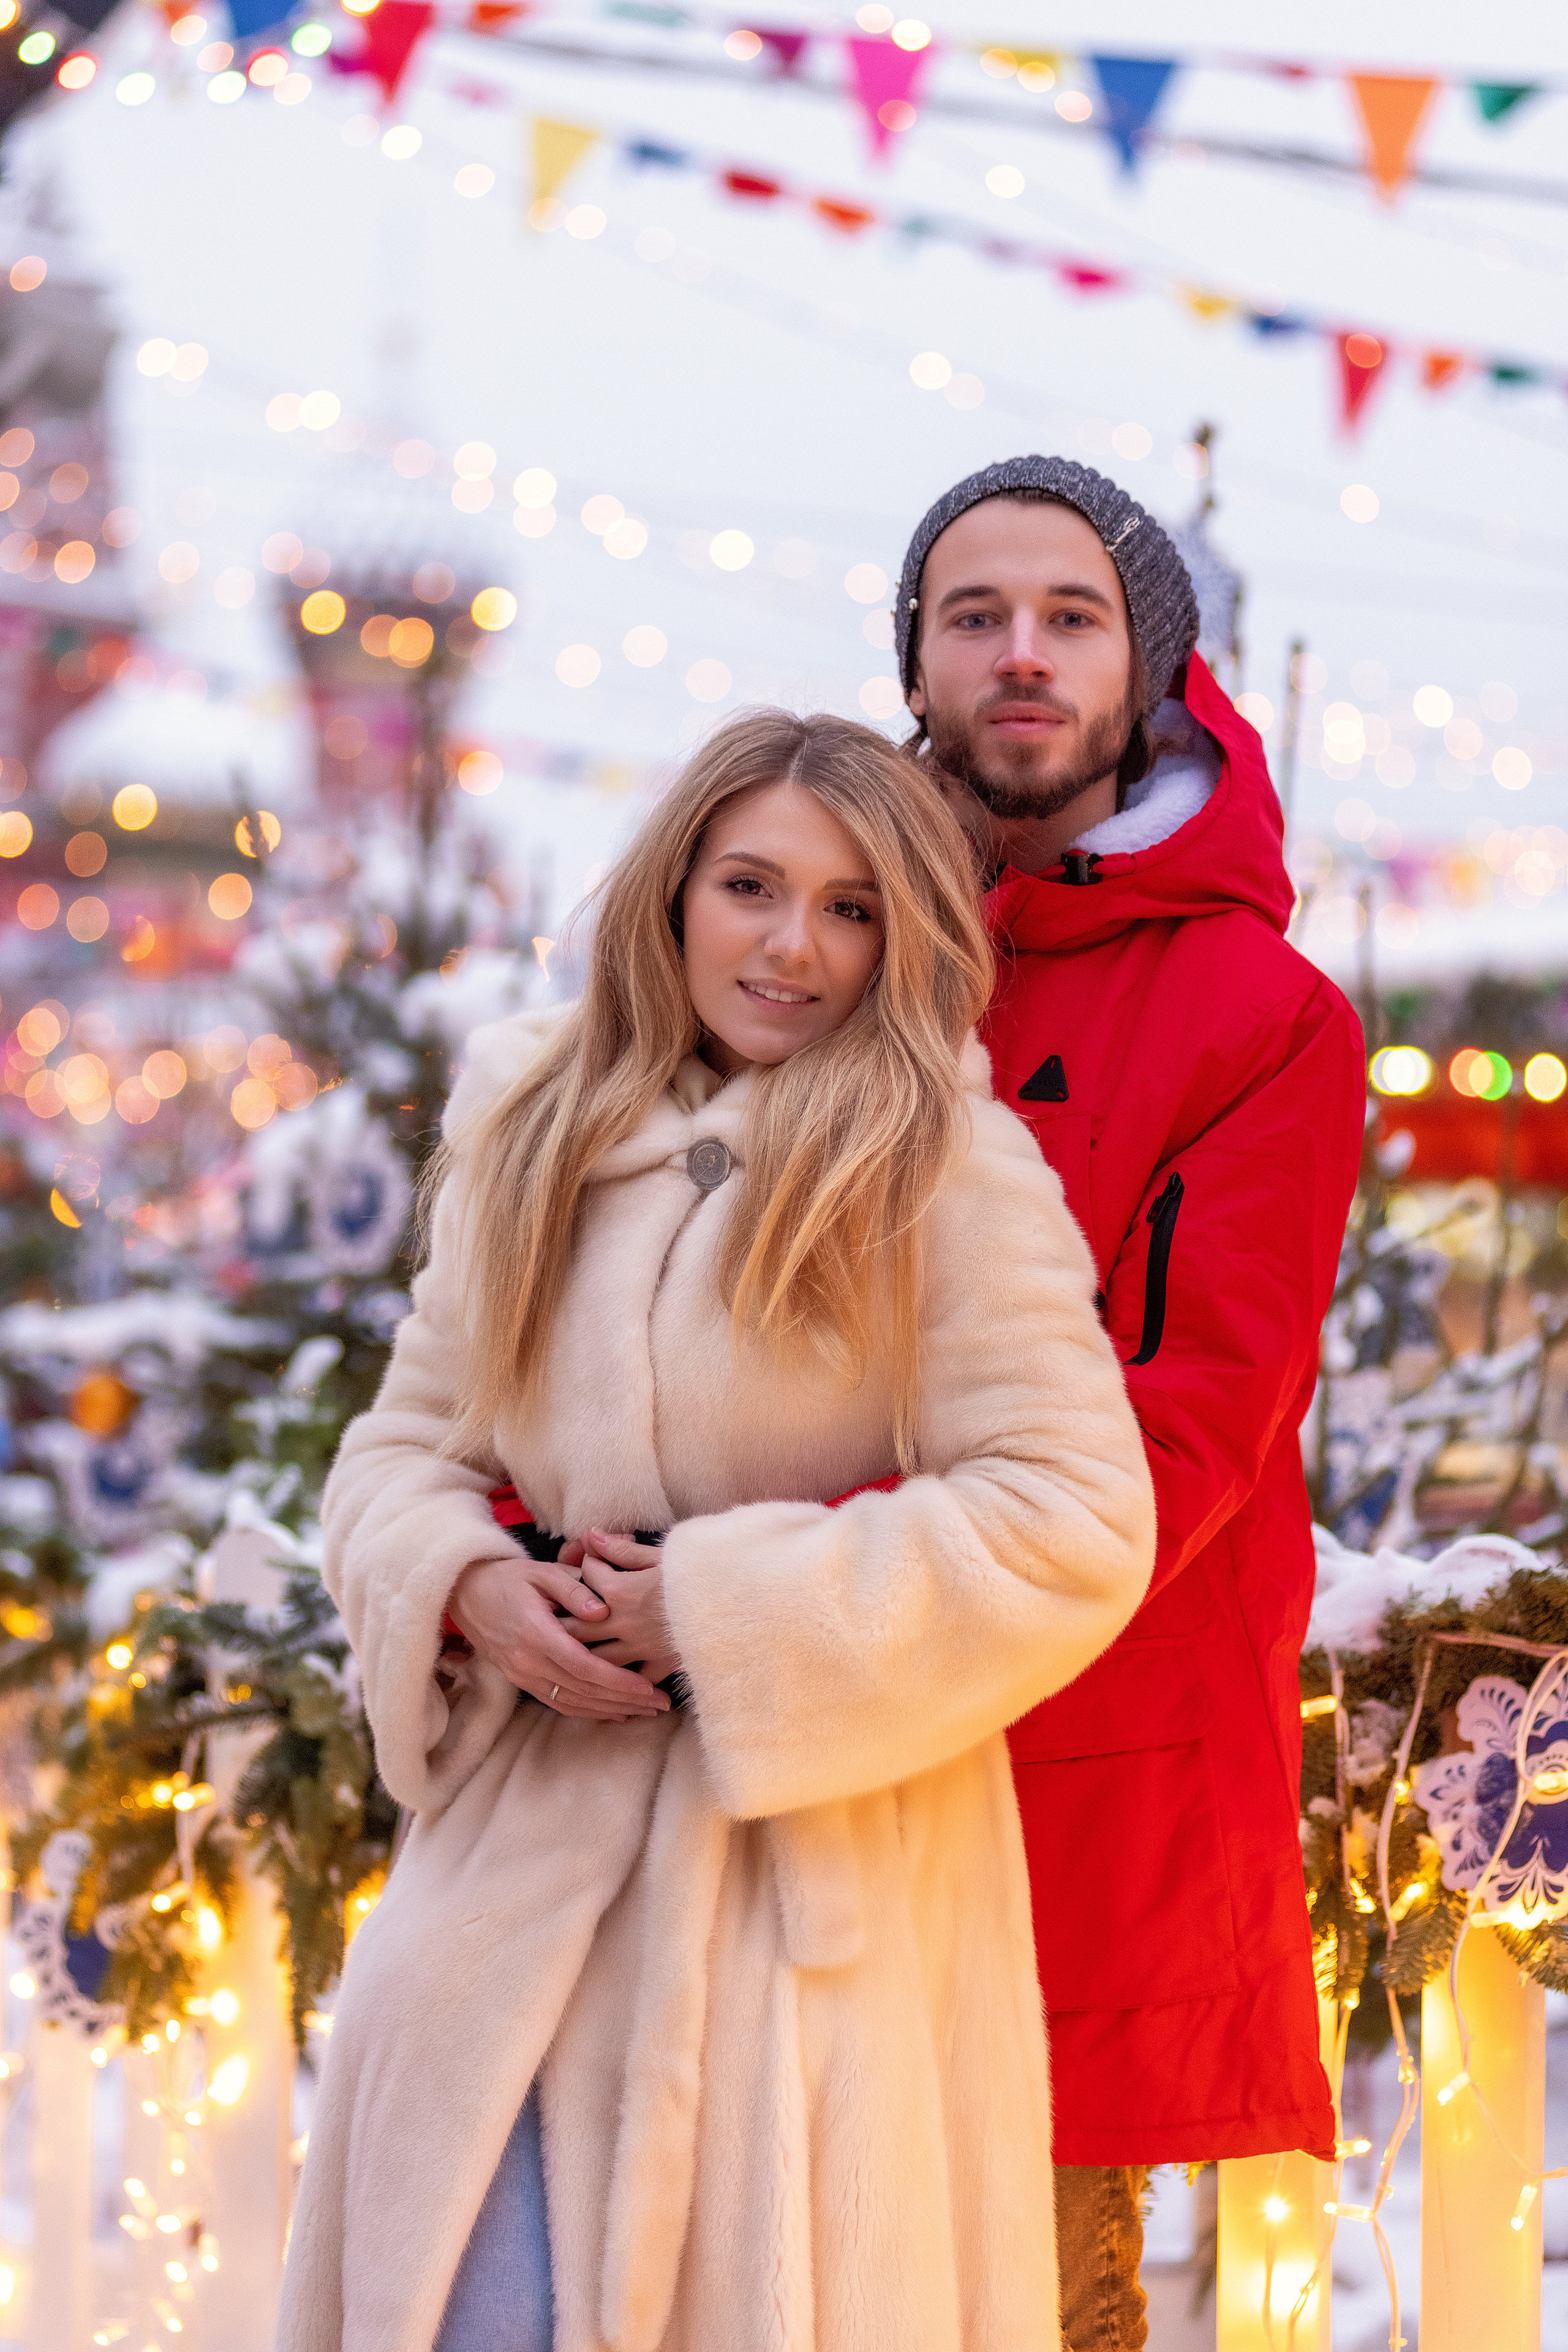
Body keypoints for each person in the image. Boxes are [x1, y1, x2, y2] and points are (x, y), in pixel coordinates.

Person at [276, 707, 1157, 2352]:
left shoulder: (943, 1167)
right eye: (753, 886)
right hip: (505, 1885)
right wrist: (468, 1585)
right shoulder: (536, 1129)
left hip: (795, 1912)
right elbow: (400, 1448)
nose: (792, 948)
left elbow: (1074, 1519)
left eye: (850, 909)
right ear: (674, 890)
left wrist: (724, 1608)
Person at [893, 456, 1366, 2352]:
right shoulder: (809, 950)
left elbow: (1179, 1441)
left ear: (1147, 670)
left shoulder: (1257, 1017)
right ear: (912, 661)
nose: (1022, 654)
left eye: (1071, 617)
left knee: (1026, 2299)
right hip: (751, 1776)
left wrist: (791, 1615)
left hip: (1061, 1786)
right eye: (974, 614)